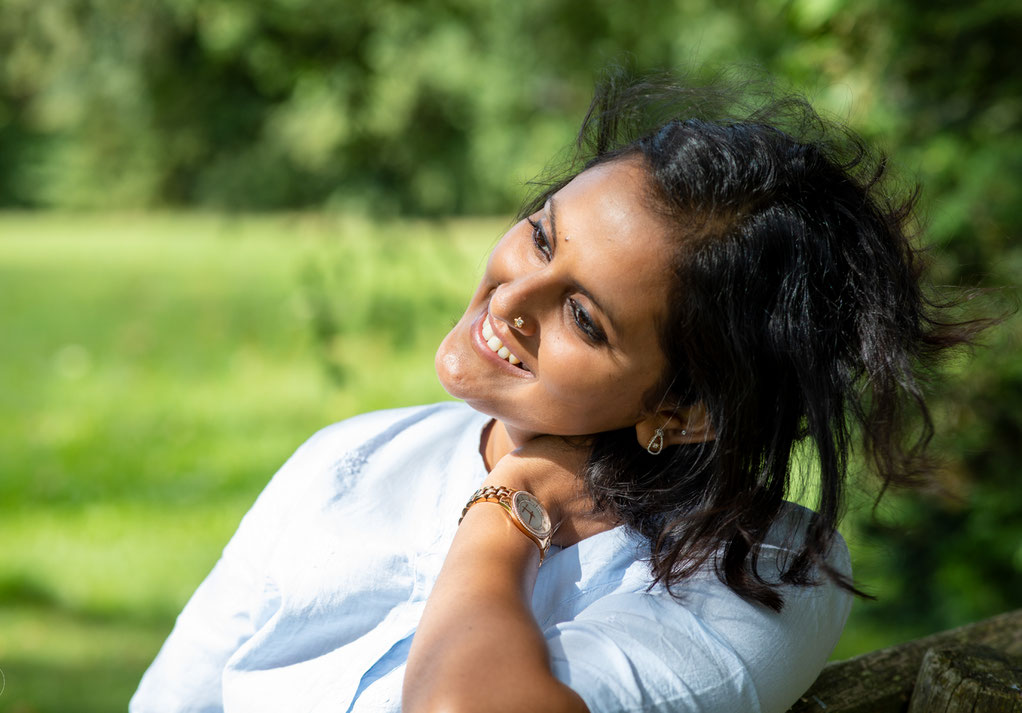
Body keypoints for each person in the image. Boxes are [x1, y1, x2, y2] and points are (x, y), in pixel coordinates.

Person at [130, 69, 976, 713]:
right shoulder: (353, 458)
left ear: (684, 410)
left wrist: (512, 508)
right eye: (541, 237)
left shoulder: (762, 570)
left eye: (584, 316)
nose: (509, 297)